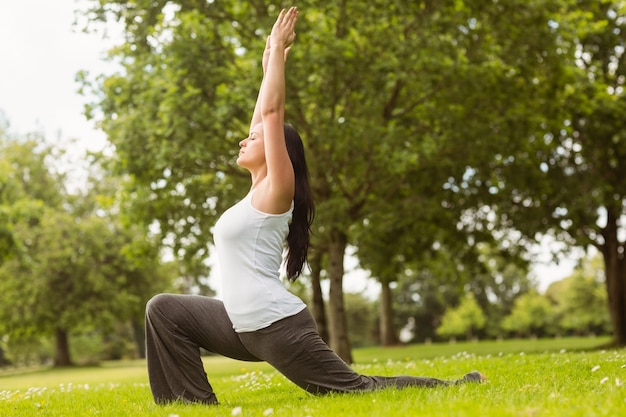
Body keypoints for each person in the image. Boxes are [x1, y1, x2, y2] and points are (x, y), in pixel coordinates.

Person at [145, 7, 486, 406]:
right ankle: (191, 407)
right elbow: (263, 115)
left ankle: (459, 386)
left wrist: (276, 50)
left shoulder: (278, 190)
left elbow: (271, 115)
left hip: (276, 326)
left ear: (277, 152)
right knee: (163, 309)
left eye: (253, 139)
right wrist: (268, 64)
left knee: (355, 388)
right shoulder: (253, 192)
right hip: (238, 324)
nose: (243, 141)